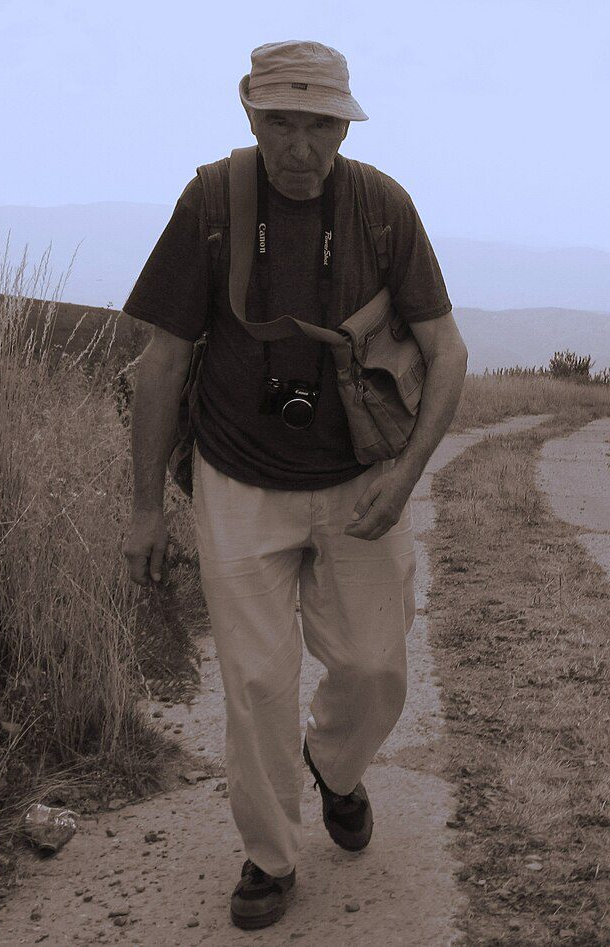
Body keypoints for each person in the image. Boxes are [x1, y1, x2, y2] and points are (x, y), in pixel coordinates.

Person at [122, 39, 467, 931]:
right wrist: (146, 506)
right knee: (256, 684)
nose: (301, 147)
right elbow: (161, 360)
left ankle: (337, 768)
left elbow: (447, 349)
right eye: (281, 122)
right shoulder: (211, 202)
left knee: (375, 668)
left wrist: (406, 476)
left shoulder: (383, 208)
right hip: (236, 476)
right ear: (250, 113)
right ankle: (271, 858)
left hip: (360, 478)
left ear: (345, 127)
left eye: (320, 125)